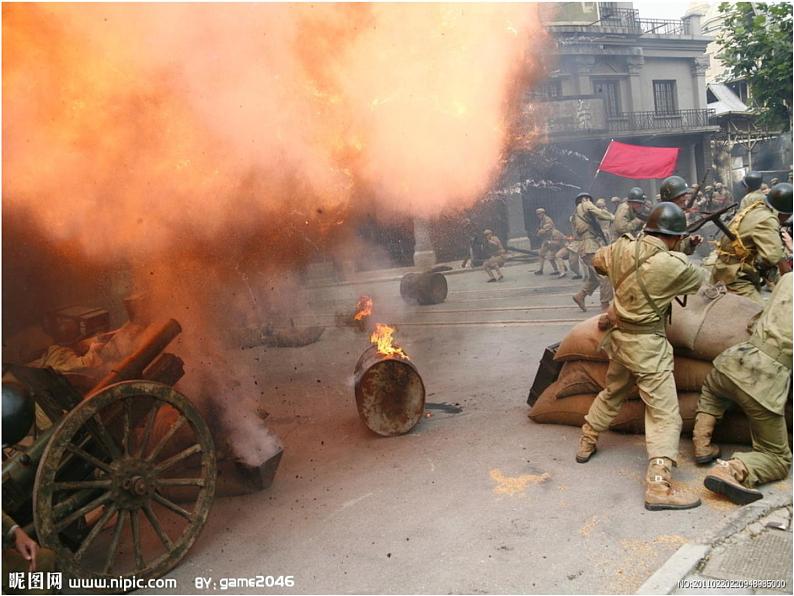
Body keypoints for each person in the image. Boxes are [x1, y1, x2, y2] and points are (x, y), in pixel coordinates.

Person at [575, 203, 704, 510]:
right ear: (673, 237)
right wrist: (682, 252)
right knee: (664, 412)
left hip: (618, 340)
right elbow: (699, 278)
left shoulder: (621, 247)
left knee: (613, 391)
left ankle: (587, 439)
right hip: (647, 346)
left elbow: (597, 260)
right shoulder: (672, 264)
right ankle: (659, 485)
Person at [692, 272, 792, 504]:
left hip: (732, 361)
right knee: (777, 458)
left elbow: (757, 319)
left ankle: (701, 443)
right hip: (763, 380)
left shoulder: (788, 278)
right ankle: (732, 470)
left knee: (712, 391)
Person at [711, 182, 791, 303]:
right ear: (784, 213)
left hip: (728, 268)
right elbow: (773, 257)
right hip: (735, 276)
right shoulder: (767, 219)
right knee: (760, 317)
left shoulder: (757, 208)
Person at [571, 192, 614, 312]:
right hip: (590, 246)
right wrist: (611, 216)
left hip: (586, 246)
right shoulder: (585, 204)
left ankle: (580, 296)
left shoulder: (576, 214)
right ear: (584, 199)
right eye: (588, 199)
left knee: (595, 278)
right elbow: (599, 213)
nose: (590, 202)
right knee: (605, 276)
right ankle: (605, 305)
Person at [534, 208, 565, 275]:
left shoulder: (548, 220)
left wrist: (539, 232)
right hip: (547, 239)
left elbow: (545, 230)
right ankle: (541, 269)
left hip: (552, 239)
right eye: (537, 214)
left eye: (539, 214)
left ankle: (562, 268)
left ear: (543, 213)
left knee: (555, 254)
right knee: (542, 254)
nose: (538, 215)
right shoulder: (542, 220)